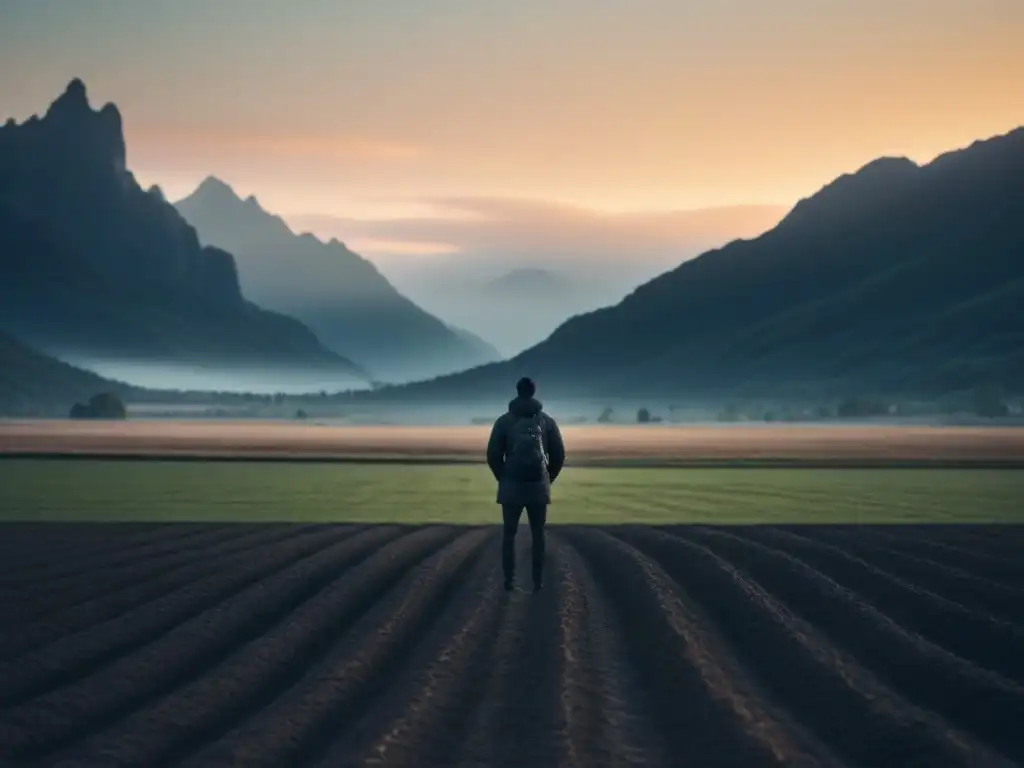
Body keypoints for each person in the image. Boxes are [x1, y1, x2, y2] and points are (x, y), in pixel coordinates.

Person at [486, 376, 565, 592]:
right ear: (534, 392)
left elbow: (493, 455)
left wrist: (504, 478)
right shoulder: (546, 421)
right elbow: (559, 455)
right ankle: (537, 581)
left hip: (511, 486)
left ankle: (509, 581)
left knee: (509, 534)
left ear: (517, 391)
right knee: (538, 534)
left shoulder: (503, 421)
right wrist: (547, 479)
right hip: (538, 487)